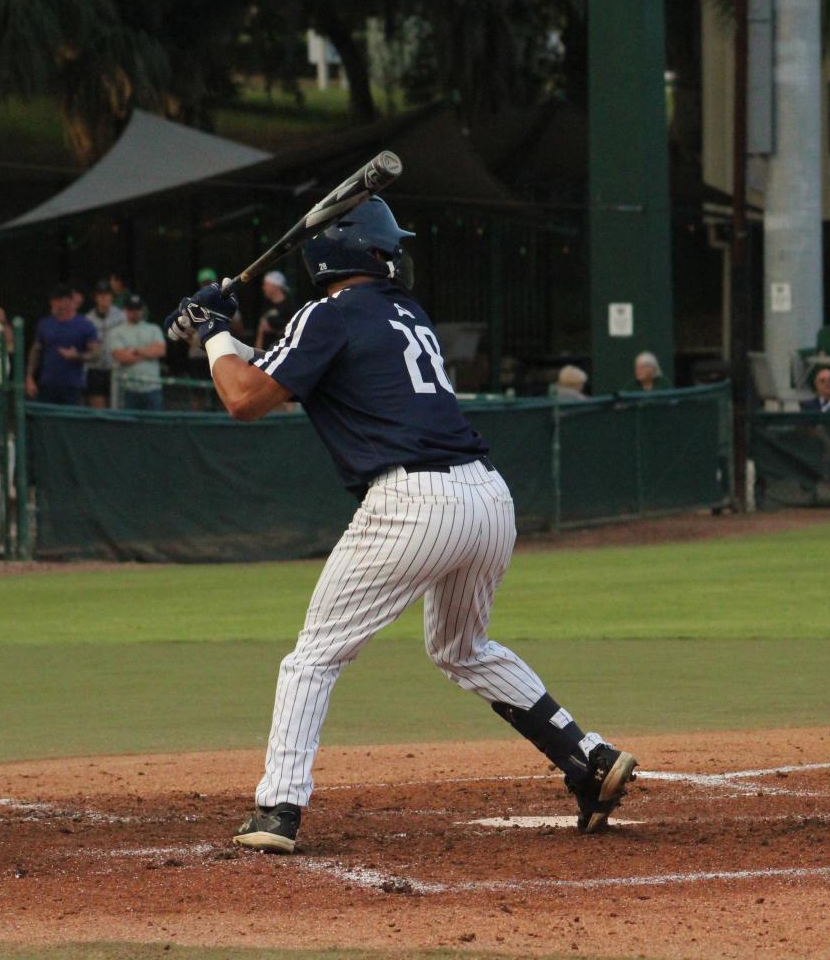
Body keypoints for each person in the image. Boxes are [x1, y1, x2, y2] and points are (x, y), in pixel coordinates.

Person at [166, 196, 637, 853]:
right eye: (385, 248)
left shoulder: (326, 314)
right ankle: (585, 755)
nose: (393, 258)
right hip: (486, 498)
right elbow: (273, 371)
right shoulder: (401, 313)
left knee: (312, 656)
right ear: (360, 251)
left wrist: (214, 329)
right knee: (461, 648)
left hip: (414, 502)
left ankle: (278, 809)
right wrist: (213, 333)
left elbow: (244, 397)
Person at [25, 283, 99, 406]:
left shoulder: (85, 325)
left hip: (73, 386)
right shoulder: (45, 324)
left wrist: (77, 356)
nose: (60, 305)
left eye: (64, 301)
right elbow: (36, 351)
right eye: (57, 301)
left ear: (71, 301)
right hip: (47, 384)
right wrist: (29, 377)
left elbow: (96, 354)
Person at [110, 293, 167, 410]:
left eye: (138, 308)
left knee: (154, 425)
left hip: (152, 387)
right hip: (128, 389)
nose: (135, 312)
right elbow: (121, 357)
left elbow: (161, 351)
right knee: (128, 427)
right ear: (125, 310)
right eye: (131, 309)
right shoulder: (116, 331)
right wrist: (148, 354)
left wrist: (135, 351)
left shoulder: (153, 329)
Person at [84, 279, 127, 409]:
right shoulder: (88, 318)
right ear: (96, 297)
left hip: (116, 369)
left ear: (111, 297)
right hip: (95, 369)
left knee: (116, 409)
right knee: (98, 411)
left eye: (107, 294)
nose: (104, 298)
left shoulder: (121, 316)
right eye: (100, 295)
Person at [255, 270, 294, 351]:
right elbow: (261, 331)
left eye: (266, 284)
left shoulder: (289, 307)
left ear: (274, 286)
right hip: (264, 354)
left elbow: (293, 334)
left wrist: (272, 330)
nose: (263, 287)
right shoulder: (266, 305)